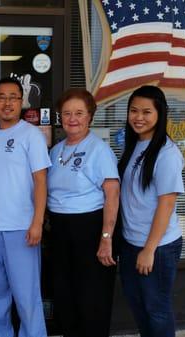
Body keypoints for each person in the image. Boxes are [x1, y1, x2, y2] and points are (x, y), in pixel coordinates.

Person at [0, 77, 51, 337]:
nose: (7, 103)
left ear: (22, 101)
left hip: (22, 229)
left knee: (26, 298)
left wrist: (37, 222)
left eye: (13, 97)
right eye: (2, 97)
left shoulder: (31, 135)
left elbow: (41, 181)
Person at [47, 88, 120, 337]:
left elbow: (112, 194)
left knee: (92, 299)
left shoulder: (99, 150)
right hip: (59, 231)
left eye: (79, 113)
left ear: (90, 115)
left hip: (89, 229)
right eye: (66, 113)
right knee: (65, 296)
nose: (72, 118)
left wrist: (106, 238)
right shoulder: (56, 151)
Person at [118, 85, 185, 337]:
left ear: (160, 114)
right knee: (139, 308)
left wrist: (149, 250)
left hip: (158, 246)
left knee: (157, 311)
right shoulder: (135, 144)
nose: (139, 117)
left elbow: (166, 205)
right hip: (131, 242)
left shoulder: (167, 153)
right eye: (134, 110)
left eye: (147, 111)